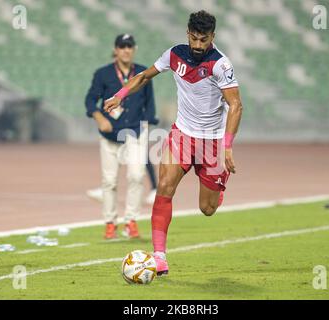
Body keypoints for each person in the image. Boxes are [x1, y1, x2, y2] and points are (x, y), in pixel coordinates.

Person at [104, 11, 243, 275]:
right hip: (182, 134)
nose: (199, 45)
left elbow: (236, 105)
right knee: (165, 187)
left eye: (204, 39)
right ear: (187, 33)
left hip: (212, 141)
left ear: (213, 37)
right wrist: (120, 94)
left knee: (208, 209)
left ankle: (218, 188)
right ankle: (159, 257)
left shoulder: (220, 65)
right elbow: (144, 76)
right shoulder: (174, 54)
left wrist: (227, 146)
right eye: (194, 38)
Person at [85, 34, 158, 240]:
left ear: (134, 49)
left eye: (129, 46)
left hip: (135, 132)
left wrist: (147, 124)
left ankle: (131, 221)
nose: (126, 50)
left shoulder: (143, 73)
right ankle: (110, 223)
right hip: (109, 134)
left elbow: (149, 103)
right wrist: (99, 118)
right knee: (109, 181)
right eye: (122, 46)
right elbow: (91, 100)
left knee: (136, 176)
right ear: (115, 49)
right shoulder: (103, 74)